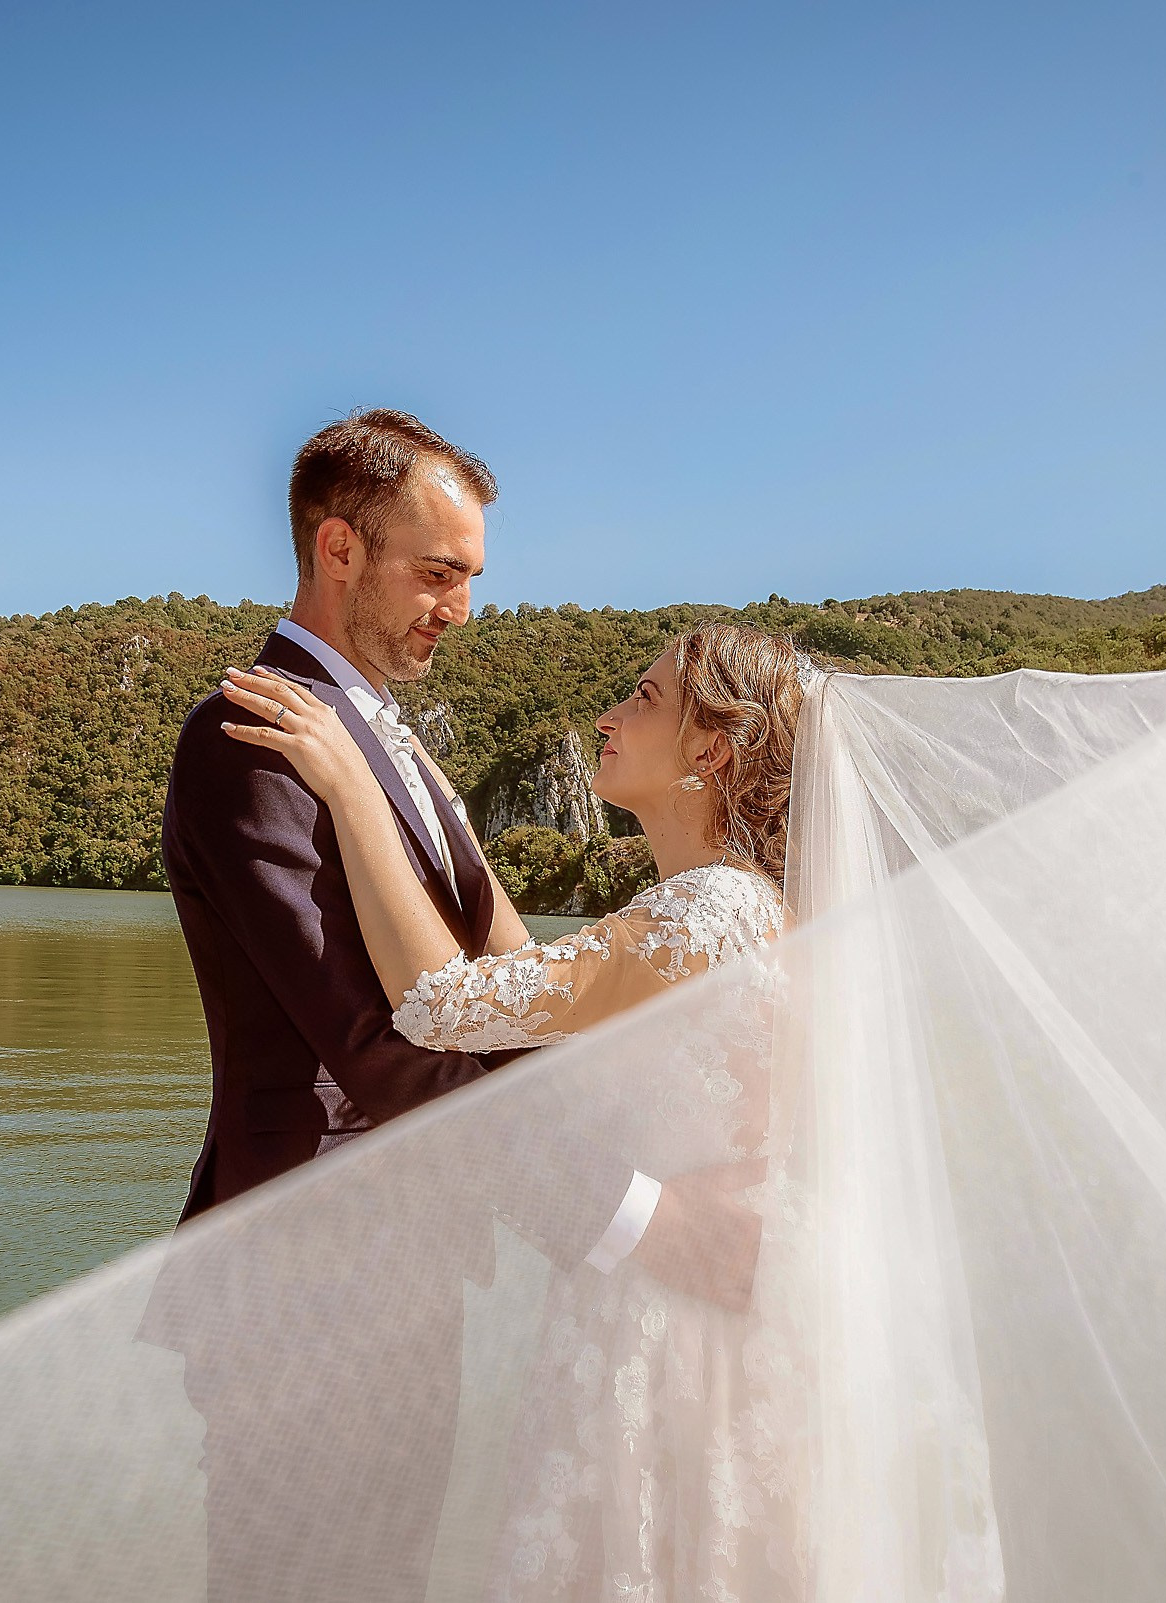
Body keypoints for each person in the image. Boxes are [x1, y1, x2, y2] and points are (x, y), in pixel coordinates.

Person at [151, 409, 761, 1603]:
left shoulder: (392, 749)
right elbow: (380, 1050)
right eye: (435, 573)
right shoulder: (252, 741)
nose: (460, 607)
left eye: (470, 577)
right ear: (337, 551)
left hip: (406, 1276)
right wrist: (633, 1218)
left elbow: (499, 997)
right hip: (300, 1289)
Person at [217, 621, 809, 1602]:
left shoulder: (700, 914)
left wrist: (352, 789)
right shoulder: (729, 906)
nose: (606, 715)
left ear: (711, 749)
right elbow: (533, 994)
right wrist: (443, 811)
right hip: (708, 1290)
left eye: (645, 698)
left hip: (672, 1312)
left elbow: (443, 1002)